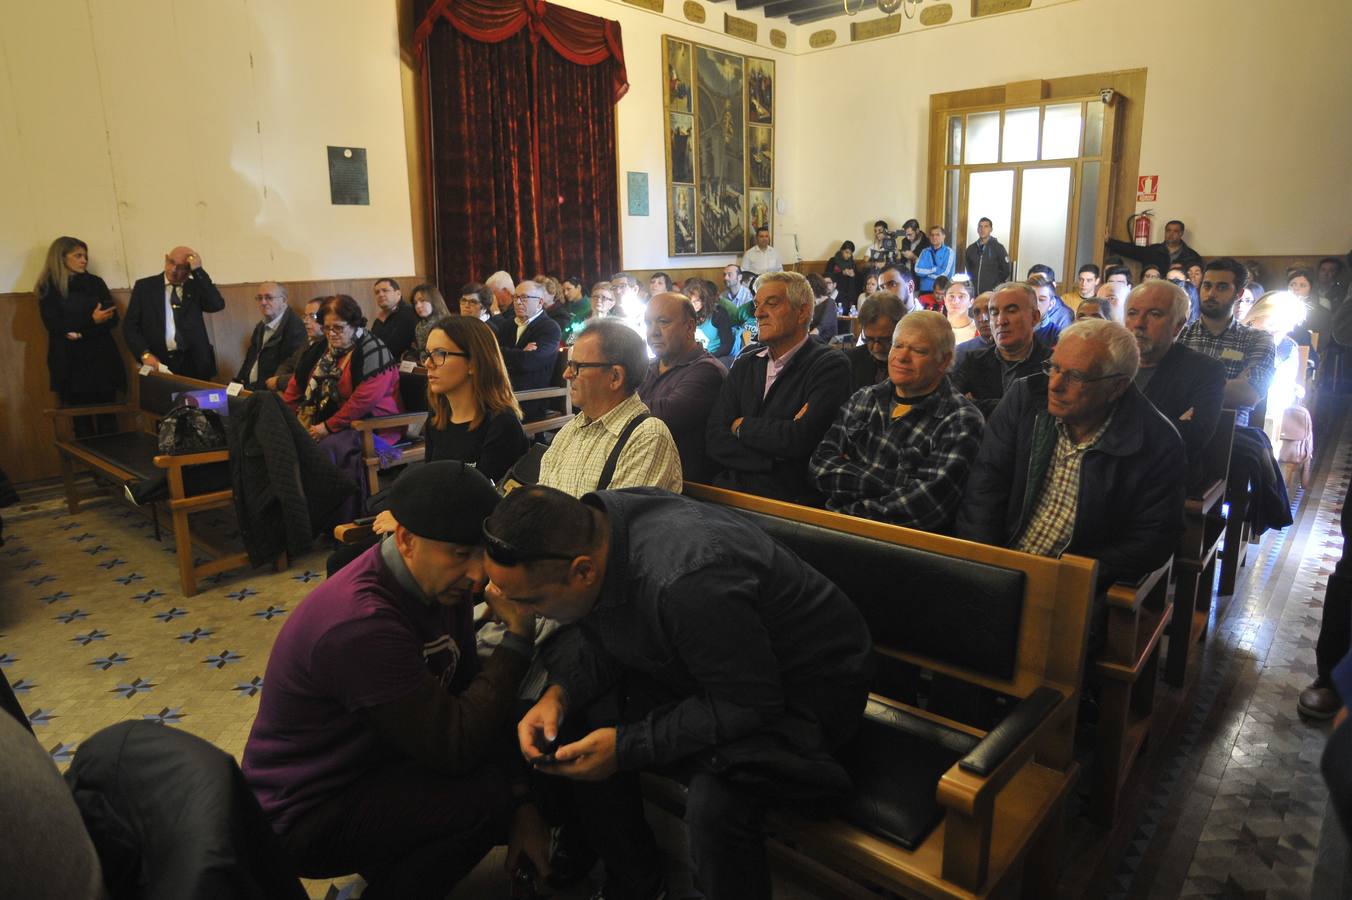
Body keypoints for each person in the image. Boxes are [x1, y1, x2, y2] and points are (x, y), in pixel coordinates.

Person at [486, 485, 873, 900]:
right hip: (722, 668)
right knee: (579, 718)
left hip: (813, 689)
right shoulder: (598, 529)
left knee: (717, 805)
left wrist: (626, 747)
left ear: (582, 571)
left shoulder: (683, 580)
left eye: (530, 600)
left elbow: (749, 701)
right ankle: (635, 878)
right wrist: (559, 695)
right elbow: (611, 632)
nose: (521, 612)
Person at [243, 462, 550, 900]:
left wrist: (524, 800)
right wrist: (518, 638)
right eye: (460, 554)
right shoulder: (361, 624)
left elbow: (468, 693)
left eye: (481, 553)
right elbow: (456, 744)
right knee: (483, 803)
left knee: (508, 779)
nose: (478, 574)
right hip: (302, 813)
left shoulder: (439, 584)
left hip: (370, 767)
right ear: (404, 540)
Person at [957, 318, 1186, 591]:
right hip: (1000, 562)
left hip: (1075, 584)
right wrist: (985, 565)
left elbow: (1151, 540)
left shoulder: (1156, 441)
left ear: (1117, 387)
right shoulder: (1026, 397)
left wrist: (1072, 578)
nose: (1055, 385)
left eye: (1075, 376)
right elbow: (985, 484)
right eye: (1053, 368)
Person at [811, 310, 983, 530]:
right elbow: (819, 467)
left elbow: (925, 507)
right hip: (829, 531)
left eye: (918, 350)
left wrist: (844, 510)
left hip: (900, 550)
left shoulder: (961, 420)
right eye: (897, 345)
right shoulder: (864, 398)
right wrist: (900, 482)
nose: (901, 357)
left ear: (944, 360)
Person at [706, 271, 852, 505]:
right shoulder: (746, 363)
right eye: (757, 305)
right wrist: (773, 459)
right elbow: (714, 437)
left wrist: (741, 425)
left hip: (790, 502)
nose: (758, 313)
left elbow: (802, 439)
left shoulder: (829, 365)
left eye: (771, 304)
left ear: (802, 312)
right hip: (729, 492)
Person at [540, 318, 682, 497]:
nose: (566, 374)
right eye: (569, 365)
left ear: (615, 377)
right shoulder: (570, 430)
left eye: (578, 367)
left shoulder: (647, 437)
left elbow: (617, 521)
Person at [282, 294, 403, 503]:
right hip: (329, 422)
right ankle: (302, 509)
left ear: (354, 323)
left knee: (326, 449)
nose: (331, 334)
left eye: (338, 327)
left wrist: (327, 427)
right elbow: (297, 384)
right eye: (327, 328)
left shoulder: (373, 349)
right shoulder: (321, 349)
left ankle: (343, 512)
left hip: (371, 424)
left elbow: (363, 401)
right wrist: (285, 417)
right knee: (286, 443)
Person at [1125, 281, 1226, 488]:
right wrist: (1169, 423)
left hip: (1165, 480)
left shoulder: (1205, 371)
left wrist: (1118, 425)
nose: (1139, 323)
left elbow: (1193, 437)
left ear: (1178, 325)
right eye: (1132, 313)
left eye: (1154, 314)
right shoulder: (1110, 361)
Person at [34, 236, 125, 436]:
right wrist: (91, 321)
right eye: (78, 255)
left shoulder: (95, 283)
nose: (84, 260)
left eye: (85, 256)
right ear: (61, 257)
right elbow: (54, 325)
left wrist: (80, 331)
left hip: (101, 357)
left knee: (108, 417)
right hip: (70, 361)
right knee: (80, 421)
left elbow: (111, 319)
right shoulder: (48, 286)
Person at [639, 292, 727, 483]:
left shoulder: (707, 370)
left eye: (663, 322)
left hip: (685, 486)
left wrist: (613, 405)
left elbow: (664, 416)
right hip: (642, 471)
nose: (653, 332)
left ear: (689, 327)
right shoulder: (647, 367)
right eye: (648, 323)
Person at [1177, 258, 1275, 428]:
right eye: (1207, 286)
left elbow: (1250, 393)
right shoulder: (1180, 333)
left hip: (1231, 435)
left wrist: (1184, 385)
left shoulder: (1258, 339)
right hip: (1179, 428)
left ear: (1239, 294)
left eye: (1221, 287)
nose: (1211, 293)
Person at [123, 245, 225, 379]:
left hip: (194, 362)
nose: (173, 270)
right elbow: (130, 326)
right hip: (158, 362)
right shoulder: (145, 287)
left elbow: (216, 304)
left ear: (189, 270)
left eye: (181, 267)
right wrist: (145, 354)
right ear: (166, 259)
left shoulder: (195, 287)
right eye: (171, 262)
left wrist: (198, 270)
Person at [951, 282, 1050, 417]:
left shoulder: (1052, 364)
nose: (1000, 321)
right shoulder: (973, 361)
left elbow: (1044, 413)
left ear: (1034, 317)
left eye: (1011, 311)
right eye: (994, 312)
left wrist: (976, 404)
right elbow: (948, 404)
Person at [495, 280, 563, 396]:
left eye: (524, 298)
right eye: (515, 297)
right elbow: (492, 354)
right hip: (502, 390)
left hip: (530, 396)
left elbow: (527, 362)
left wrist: (505, 354)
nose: (517, 302)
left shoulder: (549, 328)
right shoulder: (507, 325)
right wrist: (521, 352)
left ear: (540, 302)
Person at [236, 282, 307, 390]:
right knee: (210, 400)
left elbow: (288, 367)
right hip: (248, 388)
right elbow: (249, 360)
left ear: (283, 300)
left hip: (269, 392)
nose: (263, 302)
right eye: (260, 298)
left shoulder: (295, 328)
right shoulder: (261, 326)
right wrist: (237, 383)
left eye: (269, 298)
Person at [847, 292, 906, 391]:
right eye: (869, 339)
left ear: (903, 330)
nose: (876, 348)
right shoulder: (849, 362)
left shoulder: (915, 366)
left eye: (886, 340)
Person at [1105, 218, 1203, 276]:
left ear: (1181, 233)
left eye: (1175, 231)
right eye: (1168, 230)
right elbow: (1131, 250)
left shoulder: (1191, 256)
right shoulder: (1153, 251)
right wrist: (1109, 241)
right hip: (1152, 291)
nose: (1171, 234)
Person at [272, 296, 326, 393]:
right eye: (305, 316)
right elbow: (289, 363)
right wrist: (277, 378)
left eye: (312, 316)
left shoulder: (327, 345)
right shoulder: (308, 340)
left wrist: (279, 381)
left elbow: (307, 376)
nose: (305, 321)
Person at [684, 277, 735, 364]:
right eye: (690, 301)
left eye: (697, 301)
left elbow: (726, 346)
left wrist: (707, 358)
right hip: (693, 359)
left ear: (704, 300)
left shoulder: (718, 313)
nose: (693, 305)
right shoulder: (685, 314)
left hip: (717, 357)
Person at [370, 278, 418, 360]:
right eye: (377, 292)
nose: (380, 295)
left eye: (385, 290)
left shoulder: (410, 313)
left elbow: (398, 347)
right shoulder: (378, 320)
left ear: (398, 293)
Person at [964, 217, 1012, 295]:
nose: (982, 229)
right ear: (977, 229)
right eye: (980, 226)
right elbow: (968, 269)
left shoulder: (998, 247)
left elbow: (1006, 270)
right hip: (974, 293)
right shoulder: (971, 249)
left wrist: (995, 285)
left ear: (991, 229)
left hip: (991, 293)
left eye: (986, 226)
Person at [408, 283, 452, 360]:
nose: (418, 306)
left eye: (422, 301)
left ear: (434, 301)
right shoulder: (420, 325)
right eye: (415, 303)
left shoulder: (446, 323)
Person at [1030, 272, 1072, 345]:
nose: (1035, 304)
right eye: (1031, 298)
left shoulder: (1058, 336)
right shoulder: (1011, 329)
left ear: (1051, 304)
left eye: (1041, 300)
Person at [914, 225, 955, 298]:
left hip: (941, 292)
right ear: (929, 237)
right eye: (932, 235)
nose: (934, 237)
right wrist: (935, 269)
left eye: (937, 235)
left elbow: (946, 274)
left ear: (943, 236)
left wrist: (927, 274)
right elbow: (917, 270)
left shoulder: (949, 252)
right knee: (923, 310)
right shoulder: (924, 251)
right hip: (925, 290)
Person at [954, 292, 994, 363]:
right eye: (977, 312)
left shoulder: (1016, 350)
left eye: (989, 310)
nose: (982, 319)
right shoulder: (960, 352)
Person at [824, 241, 860, 314]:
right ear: (841, 250)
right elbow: (827, 276)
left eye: (850, 253)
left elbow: (856, 279)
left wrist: (853, 275)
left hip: (847, 293)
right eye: (846, 252)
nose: (848, 255)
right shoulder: (833, 261)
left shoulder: (852, 263)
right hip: (835, 291)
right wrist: (842, 273)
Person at [942, 275, 978, 344]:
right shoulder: (935, 329)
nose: (955, 301)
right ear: (944, 300)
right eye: (951, 296)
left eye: (961, 296)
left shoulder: (979, 331)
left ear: (971, 302)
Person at [808, 272, 838, 341]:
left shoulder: (830, 302)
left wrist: (807, 339)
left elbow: (822, 326)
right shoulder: (810, 303)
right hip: (813, 339)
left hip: (825, 341)